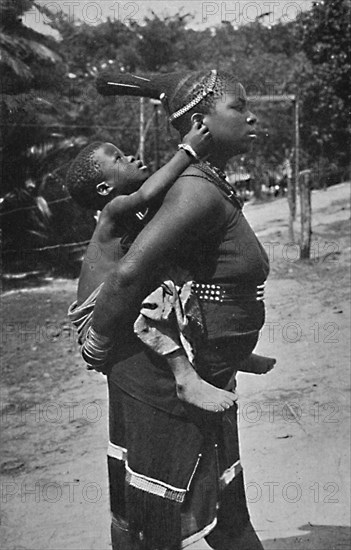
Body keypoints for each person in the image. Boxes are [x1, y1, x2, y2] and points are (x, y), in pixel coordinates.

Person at [82, 69, 272, 549]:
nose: (251, 115)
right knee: (162, 518)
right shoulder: (193, 189)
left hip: (209, 361)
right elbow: (130, 278)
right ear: (200, 122)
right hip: (165, 374)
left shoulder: (204, 183)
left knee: (223, 514)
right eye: (238, 106)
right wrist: (98, 338)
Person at [67, 123, 242, 411]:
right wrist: (188, 151)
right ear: (104, 188)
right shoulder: (111, 213)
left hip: (117, 305)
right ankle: (184, 376)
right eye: (119, 159)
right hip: (97, 324)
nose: (132, 157)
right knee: (162, 289)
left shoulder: (134, 214)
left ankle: (228, 349)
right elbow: (149, 192)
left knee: (178, 274)